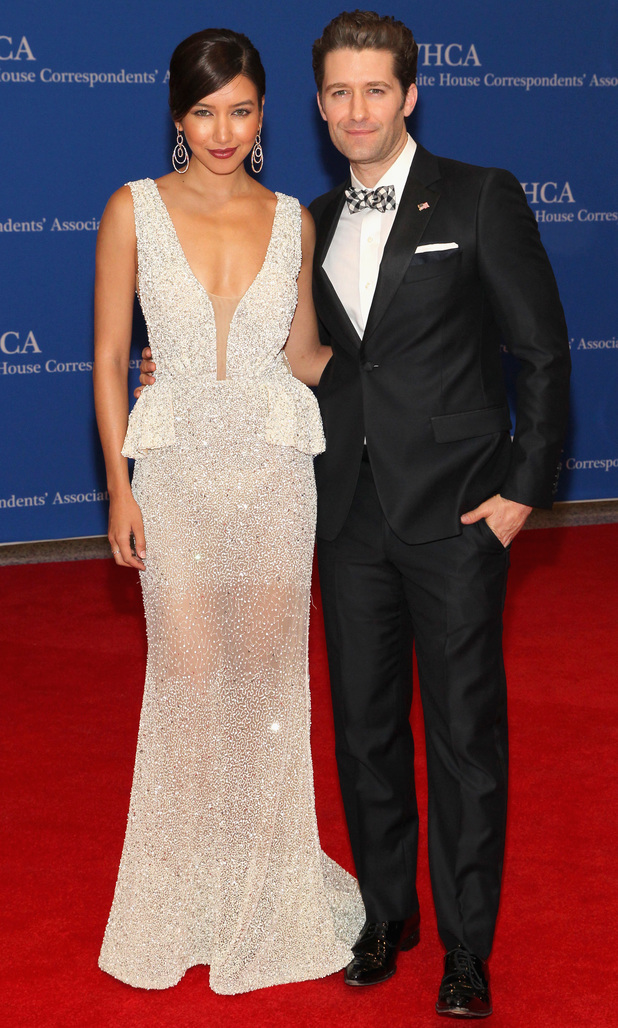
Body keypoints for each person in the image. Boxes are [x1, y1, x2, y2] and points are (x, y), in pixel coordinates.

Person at [138, 10, 571, 1017]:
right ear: (319, 104)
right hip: (342, 513)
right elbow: (296, 355)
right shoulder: (309, 220)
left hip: (461, 511)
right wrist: (188, 372)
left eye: (376, 89)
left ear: (410, 94)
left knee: (463, 735)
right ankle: (386, 917)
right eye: (339, 92)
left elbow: (542, 351)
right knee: (365, 729)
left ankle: (466, 946)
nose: (357, 110)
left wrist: (522, 490)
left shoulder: (480, 194)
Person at [93, 27, 364, 996]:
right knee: (187, 686)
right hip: (175, 478)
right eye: (205, 111)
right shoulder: (132, 209)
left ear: (263, 115)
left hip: (274, 479)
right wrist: (120, 484)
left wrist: (401, 368)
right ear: (179, 115)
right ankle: (190, 892)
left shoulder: (292, 218)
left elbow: (303, 355)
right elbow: (110, 358)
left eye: (241, 110)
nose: (223, 131)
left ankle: (264, 890)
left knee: (268, 695)